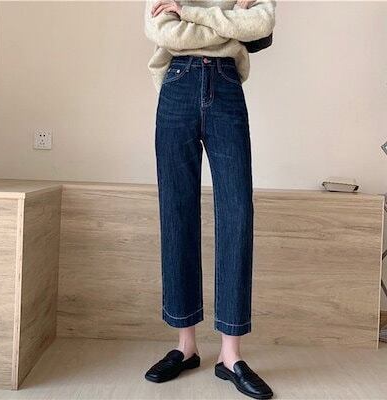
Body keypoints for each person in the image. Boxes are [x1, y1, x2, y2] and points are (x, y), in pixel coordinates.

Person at [143, 1, 276, 398]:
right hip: (177, 85)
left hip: (227, 86)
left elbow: (262, 22)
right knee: (177, 214)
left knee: (237, 215)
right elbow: (163, 32)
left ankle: (230, 356)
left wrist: (187, 12)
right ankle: (186, 347)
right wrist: (230, 24)